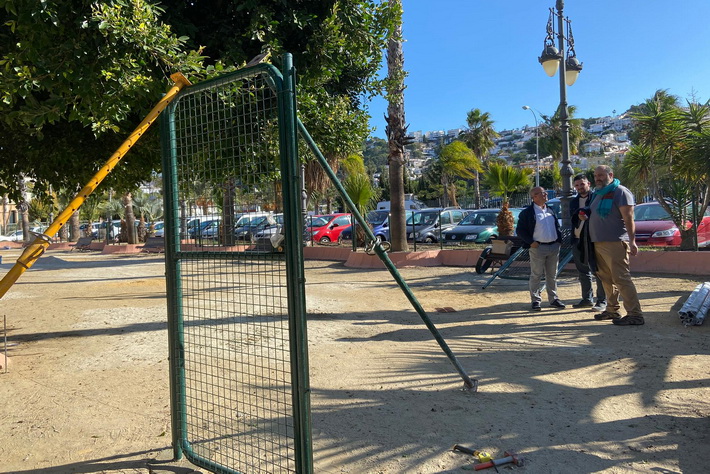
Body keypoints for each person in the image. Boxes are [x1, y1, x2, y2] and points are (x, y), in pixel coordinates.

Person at [587, 165, 644, 326]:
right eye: (596, 175)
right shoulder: (598, 194)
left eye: (601, 175)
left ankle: (635, 314)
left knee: (621, 279)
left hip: (615, 242)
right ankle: (612, 310)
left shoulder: (620, 192)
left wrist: (632, 241)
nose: (597, 178)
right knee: (606, 279)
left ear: (610, 175)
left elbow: (629, 218)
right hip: (597, 242)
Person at [516, 186, 566, 311]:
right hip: (538, 248)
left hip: (553, 247)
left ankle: (553, 299)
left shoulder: (550, 210)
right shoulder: (527, 213)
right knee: (536, 275)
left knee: (552, 275)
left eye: (545, 192)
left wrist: (559, 241)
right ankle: (535, 300)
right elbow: (520, 231)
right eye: (542, 193)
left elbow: (556, 227)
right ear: (534, 197)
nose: (545, 194)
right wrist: (531, 242)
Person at [570, 174, 607, 311]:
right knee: (582, 271)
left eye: (582, 184)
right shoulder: (573, 202)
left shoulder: (596, 198)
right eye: (577, 185)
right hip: (578, 240)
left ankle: (602, 300)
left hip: (592, 240)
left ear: (588, 184)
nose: (580, 187)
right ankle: (587, 299)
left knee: (598, 271)